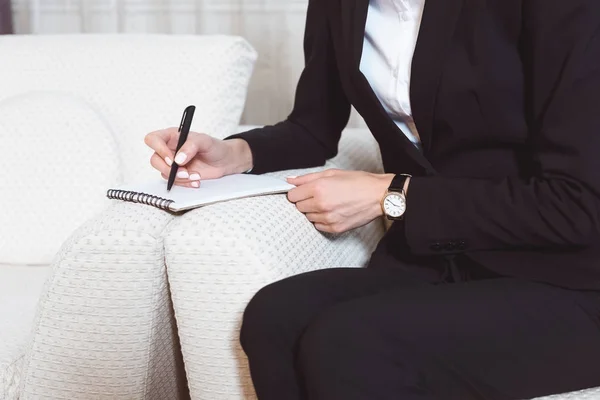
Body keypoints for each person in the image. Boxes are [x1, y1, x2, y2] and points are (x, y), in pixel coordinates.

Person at [144, 0, 600, 398]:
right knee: (275, 318)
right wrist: (234, 153)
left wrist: (393, 194)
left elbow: (581, 203)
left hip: (571, 276)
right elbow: (312, 126)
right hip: (442, 259)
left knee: (350, 343)